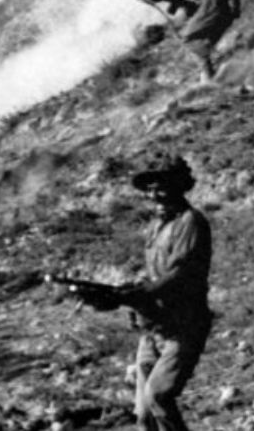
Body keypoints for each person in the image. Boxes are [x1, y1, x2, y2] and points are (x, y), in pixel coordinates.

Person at [78, 152, 212, 431]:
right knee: (143, 414)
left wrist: (135, 295)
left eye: (162, 183)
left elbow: (180, 274)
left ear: (179, 184)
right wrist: (123, 295)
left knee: (159, 396)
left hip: (184, 325)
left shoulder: (190, 222)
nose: (155, 191)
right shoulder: (155, 227)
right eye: (150, 186)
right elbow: (155, 274)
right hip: (153, 326)